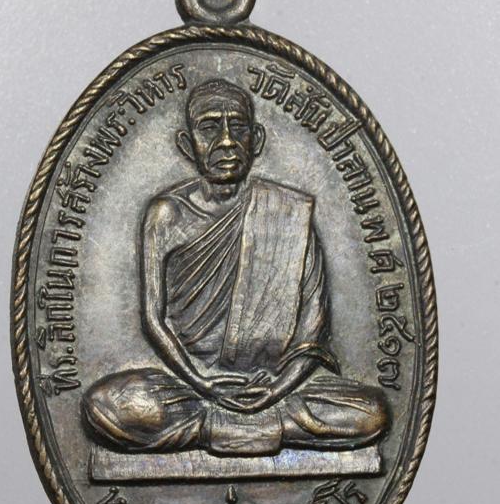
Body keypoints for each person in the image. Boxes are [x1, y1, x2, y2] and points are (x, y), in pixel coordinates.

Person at [83, 79, 388, 456]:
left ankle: (220, 427)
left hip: (276, 387)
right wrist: (202, 381)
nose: (226, 141)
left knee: (373, 413)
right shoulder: (166, 215)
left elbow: (313, 332)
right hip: (190, 385)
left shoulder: (288, 213)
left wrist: (276, 389)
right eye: (210, 127)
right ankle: (263, 427)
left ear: (256, 141)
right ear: (187, 144)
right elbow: (152, 319)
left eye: (238, 127)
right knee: (105, 406)